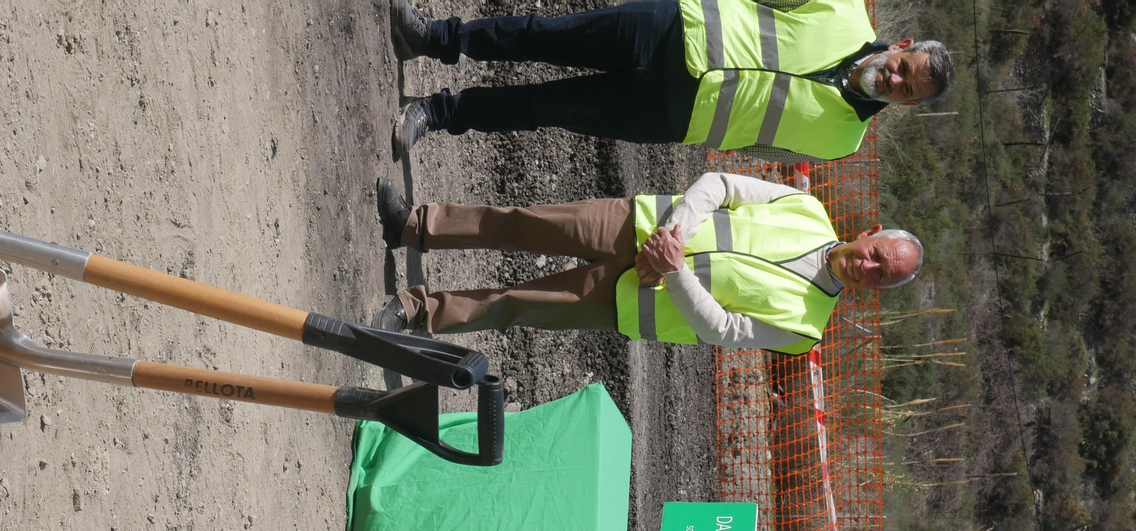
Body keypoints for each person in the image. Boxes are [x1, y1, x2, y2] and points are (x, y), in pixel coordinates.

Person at [372, 171, 923, 352]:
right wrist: (671, 237)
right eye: (876, 255)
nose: (868, 267)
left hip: (633, 301)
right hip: (633, 225)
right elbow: (720, 184)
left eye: (881, 276)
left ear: (877, 292)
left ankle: (418, 311)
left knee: (515, 304)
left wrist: (674, 270)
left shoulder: (806, 329)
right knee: (519, 221)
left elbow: (725, 331)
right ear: (869, 233)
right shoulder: (805, 207)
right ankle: (415, 226)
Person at [387, 0, 954, 161]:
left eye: (907, 91)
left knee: (547, 108)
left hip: (675, 116)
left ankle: (437, 114)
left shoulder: (843, 143)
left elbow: (761, 147)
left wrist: (708, 131)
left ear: (907, 104)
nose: (895, 81)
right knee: (544, 35)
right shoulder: (845, 10)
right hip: (674, 29)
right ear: (901, 48)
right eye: (905, 69)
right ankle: (436, 38)